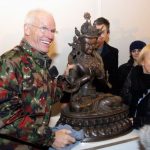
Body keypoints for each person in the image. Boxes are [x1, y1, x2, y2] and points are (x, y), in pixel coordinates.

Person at [0, 9, 75, 150]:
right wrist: (50, 138)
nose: (50, 35)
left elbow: (48, 97)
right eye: (44, 28)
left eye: (53, 31)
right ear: (27, 29)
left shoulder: (39, 62)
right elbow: (6, 117)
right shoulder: (9, 62)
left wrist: (66, 78)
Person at [121, 44, 150, 129]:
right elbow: (125, 99)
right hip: (130, 128)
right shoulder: (133, 74)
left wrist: (138, 121)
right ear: (142, 61)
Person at [94, 17, 119, 94]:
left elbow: (113, 78)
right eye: (95, 31)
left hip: (103, 93)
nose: (98, 35)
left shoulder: (113, 52)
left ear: (107, 34)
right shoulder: (82, 49)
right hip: (84, 93)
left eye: (102, 32)